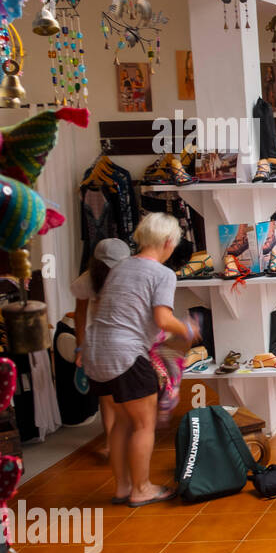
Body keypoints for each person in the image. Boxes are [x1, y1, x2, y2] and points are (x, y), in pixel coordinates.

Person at [83, 213, 196, 507]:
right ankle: (141, 488)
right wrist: (187, 328)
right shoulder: (162, 274)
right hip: (126, 354)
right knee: (144, 425)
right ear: (169, 242)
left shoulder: (121, 267)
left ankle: (122, 488)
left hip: (98, 353)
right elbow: (162, 317)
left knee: (121, 423)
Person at [71, 238, 130, 460]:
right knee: (110, 397)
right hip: (105, 343)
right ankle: (113, 441)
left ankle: (120, 440)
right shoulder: (88, 280)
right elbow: (79, 313)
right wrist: (80, 347)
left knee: (118, 396)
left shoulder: (125, 276)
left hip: (119, 342)